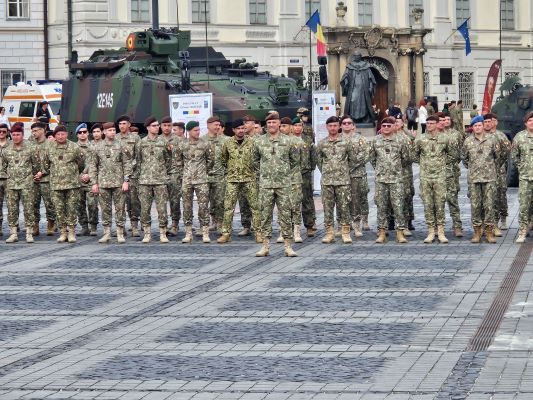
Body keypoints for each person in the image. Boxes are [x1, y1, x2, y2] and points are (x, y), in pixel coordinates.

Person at [253, 113, 298, 257]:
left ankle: (288, 246)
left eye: (274, 122)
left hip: (283, 185)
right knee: (265, 215)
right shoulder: (259, 141)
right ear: (266, 125)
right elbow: (255, 161)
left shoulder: (288, 140)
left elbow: (295, 160)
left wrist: (284, 174)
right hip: (266, 184)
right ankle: (265, 246)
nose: (271, 125)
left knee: (286, 215)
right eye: (269, 123)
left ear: (279, 124)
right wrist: (265, 173)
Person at [36, 125, 86, 243]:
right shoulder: (50, 148)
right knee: (59, 209)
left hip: (72, 184)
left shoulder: (74, 147)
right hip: (56, 184)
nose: (60, 136)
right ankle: (63, 232)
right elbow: (45, 165)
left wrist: (72, 172)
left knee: (72, 209)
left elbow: (81, 164)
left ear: (66, 134)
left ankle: (71, 232)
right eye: (58, 134)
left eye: (62, 134)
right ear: (54, 136)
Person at [217, 119, 261, 244]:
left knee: (255, 207)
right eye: (238, 128)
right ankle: (226, 234)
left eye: (242, 128)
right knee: (228, 207)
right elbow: (223, 159)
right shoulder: (228, 143)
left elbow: (257, 158)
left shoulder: (252, 142)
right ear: (233, 130)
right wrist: (231, 170)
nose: (241, 130)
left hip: (249, 178)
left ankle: (258, 233)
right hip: (233, 179)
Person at [413, 115, 454, 243]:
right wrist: (425, 163)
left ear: (437, 124)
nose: (429, 125)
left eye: (431, 123)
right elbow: (414, 155)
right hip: (425, 177)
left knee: (440, 204)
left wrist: (440, 163)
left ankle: (441, 231)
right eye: (428, 123)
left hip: (440, 176)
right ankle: (431, 231)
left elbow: (452, 154)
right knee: (428, 204)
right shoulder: (420, 139)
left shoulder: (444, 138)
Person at [89, 122, 132, 244]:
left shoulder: (121, 145)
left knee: (120, 208)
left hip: (119, 183)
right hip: (103, 183)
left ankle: (120, 233)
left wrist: (126, 180)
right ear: (104, 132)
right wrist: (94, 183)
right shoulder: (97, 147)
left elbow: (127, 164)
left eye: (114, 130)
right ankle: (106, 233)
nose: (112, 132)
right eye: (109, 130)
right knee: (105, 209)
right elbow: (93, 166)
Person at [369, 117, 409, 244]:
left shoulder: (401, 140)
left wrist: (395, 169)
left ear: (394, 127)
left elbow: (405, 158)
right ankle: (382, 232)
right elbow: (372, 158)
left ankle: (400, 232)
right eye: (384, 126)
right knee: (381, 206)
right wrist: (381, 169)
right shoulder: (375, 141)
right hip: (381, 179)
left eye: (388, 126)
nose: (386, 128)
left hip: (396, 179)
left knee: (398, 206)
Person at [317, 116, 356, 244]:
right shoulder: (322, 143)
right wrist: (327, 172)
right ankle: (329, 233)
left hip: (343, 181)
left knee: (344, 207)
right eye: (330, 126)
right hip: (327, 181)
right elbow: (319, 161)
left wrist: (343, 171)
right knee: (327, 208)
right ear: (327, 127)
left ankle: (345, 232)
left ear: (339, 126)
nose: (333, 128)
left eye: (335, 125)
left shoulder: (346, 142)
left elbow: (352, 159)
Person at [462, 115, 499, 243]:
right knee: (475, 206)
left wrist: (490, 168)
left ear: (483, 126)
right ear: (472, 128)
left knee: (489, 205)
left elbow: (498, 157)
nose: (477, 127)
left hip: (489, 178)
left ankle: (489, 232)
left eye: (479, 125)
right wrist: (474, 168)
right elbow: (465, 159)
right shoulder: (468, 141)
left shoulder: (492, 139)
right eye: (475, 126)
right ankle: (477, 232)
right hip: (474, 179)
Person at [177, 120, 214, 243]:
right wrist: (185, 173)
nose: (198, 132)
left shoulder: (205, 144)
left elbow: (210, 161)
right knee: (187, 206)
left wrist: (202, 172)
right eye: (195, 130)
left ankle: (205, 232)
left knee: (203, 206)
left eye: (198, 130)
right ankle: (188, 233)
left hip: (201, 180)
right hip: (187, 180)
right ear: (189, 131)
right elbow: (178, 162)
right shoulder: (182, 144)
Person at [1, 124, 38, 243]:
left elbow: (36, 165)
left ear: (22, 135)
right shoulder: (6, 150)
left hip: (27, 184)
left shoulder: (30, 148)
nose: (16, 137)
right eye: (14, 135)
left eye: (18, 134)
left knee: (28, 208)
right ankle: (13, 233)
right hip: (11, 184)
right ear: (11, 135)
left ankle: (29, 233)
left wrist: (32, 176)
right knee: (12, 209)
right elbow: (4, 166)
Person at [137, 116, 172, 243]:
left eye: (157, 125)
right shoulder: (141, 143)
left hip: (160, 181)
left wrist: (163, 174)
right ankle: (147, 233)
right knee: (145, 209)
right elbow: (138, 161)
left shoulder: (164, 142)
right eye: (154, 126)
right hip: (145, 181)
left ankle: (163, 233)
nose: (157, 127)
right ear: (147, 127)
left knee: (162, 208)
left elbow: (169, 160)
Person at [339, 115, 368, 237]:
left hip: (357, 174)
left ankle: (357, 225)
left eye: (349, 123)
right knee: (342, 201)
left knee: (356, 200)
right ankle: (343, 225)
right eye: (344, 123)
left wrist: (350, 166)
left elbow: (365, 155)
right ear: (341, 125)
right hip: (340, 175)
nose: (346, 125)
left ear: (353, 125)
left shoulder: (361, 139)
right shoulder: (337, 139)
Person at [484, 113, 511, 236]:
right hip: (486, 172)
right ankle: (491, 221)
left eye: (492, 121)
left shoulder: (501, 136)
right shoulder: (483, 135)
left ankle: (503, 217)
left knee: (501, 194)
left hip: (499, 170)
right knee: (489, 196)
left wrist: (499, 163)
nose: (490, 123)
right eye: (487, 121)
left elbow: (507, 151)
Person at [116, 115, 141, 236]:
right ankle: (121, 227)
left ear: (129, 125)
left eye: (124, 123)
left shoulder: (135, 138)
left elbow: (138, 155)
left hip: (133, 175)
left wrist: (132, 168)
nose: (122, 126)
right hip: (118, 175)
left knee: (134, 201)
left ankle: (134, 226)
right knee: (119, 202)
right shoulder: (115, 138)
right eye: (120, 124)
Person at [292, 117, 317, 237]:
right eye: (295, 125)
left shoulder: (307, 140)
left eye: (299, 125)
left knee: (307, 200)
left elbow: (313, 156)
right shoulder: (288, 140)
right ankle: (292, 226)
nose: (298, 128)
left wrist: (310, 168)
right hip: (292, 175)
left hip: (305, 174)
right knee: (292, 201)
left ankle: (310, 225)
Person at [31, 122, 57, 236]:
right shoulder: (30, 145)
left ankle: (51, 224)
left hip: (47, 179)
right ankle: (35, 225)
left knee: (49, 204)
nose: (34, 133)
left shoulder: (51, 144)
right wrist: (32, 174)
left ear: (43, 130)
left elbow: (54, 162)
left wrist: (43, 172)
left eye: (36, 131)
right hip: (33, 180)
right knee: (33, 204)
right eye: (32, 131)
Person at [512, 111, 533, 243]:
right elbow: (514, 156)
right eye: (530, 120)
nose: (532, 123)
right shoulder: (519, 137)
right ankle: (522, 231)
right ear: (525, 123)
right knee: (524, 206)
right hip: (525, 178)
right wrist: (522, 167)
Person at [442, 113, 464, 237]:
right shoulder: (437, 135)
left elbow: (460, 151)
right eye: (443, 119)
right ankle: (438, 227)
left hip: (452, 171)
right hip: (438, 173)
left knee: (453, 199)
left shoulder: (456, 134)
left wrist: (453, 163)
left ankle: (457, 226)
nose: (445, 121)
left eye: (447, 119)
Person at [160, 116, 183, 236]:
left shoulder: (178, 140)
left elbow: (184, 157)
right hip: (161, 174)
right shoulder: (157, 140)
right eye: (164, 125)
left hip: (175, 174)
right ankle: (163, 225)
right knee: (161, 202)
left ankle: (175, 224)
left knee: (175, 201)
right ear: (161, 126)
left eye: (169, 125)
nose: (167, 128)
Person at [76, 123, 98, 236]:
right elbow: (71, 165)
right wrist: (80, 175)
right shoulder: (73, 148)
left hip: (91, 180)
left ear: (88, 133)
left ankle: (93, 226)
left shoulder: (94, 147)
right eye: (80, 132)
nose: (82, 134)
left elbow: (97, 163)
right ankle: (84, 227)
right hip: (78, 181)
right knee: (79, 205)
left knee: (92, 204)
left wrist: (89, 175)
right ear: (77, 135)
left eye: (84, 132)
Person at [340, 52, 376, 123]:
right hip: (353, 88)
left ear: (360, 56)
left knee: (364, 103)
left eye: (358, 56)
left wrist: (371, 86)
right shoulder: (350, 66)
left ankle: (364, 118)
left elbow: (371, 78)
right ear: (354, 56)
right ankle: (353, 118)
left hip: (364, 89)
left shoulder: (366, 66)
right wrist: (346, 82)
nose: (356, 57)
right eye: (355, 56)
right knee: (352, 101)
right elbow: (345, 76)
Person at [205, 116, 227, 233]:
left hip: (220, 175)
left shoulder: (226, 140)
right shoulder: (202, 140)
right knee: (205, 202)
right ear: (208, 125)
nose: (218, 127)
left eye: (219, 125)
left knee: (220, 201)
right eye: (215, 125)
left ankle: (220, 223)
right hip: (205, 176)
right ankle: (209, 223)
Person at [0, 123, 10, 235]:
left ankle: (14, 226)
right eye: (0, 131)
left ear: (7, 132)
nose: (2, 133)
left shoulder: (11, 145)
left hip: (9, 178)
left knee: (12, 204)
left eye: (4, 131)